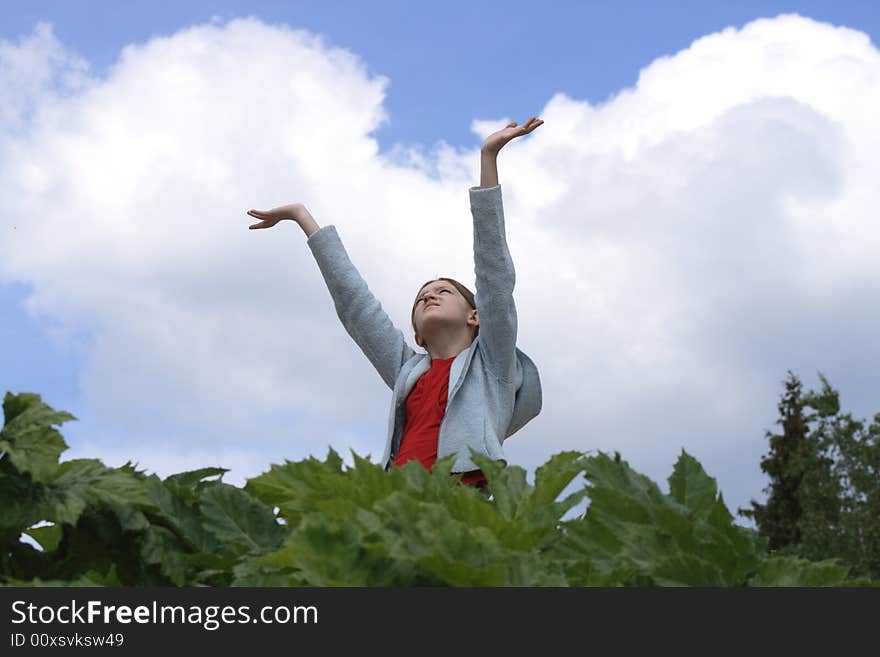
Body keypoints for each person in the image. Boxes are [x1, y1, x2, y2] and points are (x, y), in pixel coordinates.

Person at [246, 115, 544, 498]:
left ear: (476, 317)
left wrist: (489, 157)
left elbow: (494, 275)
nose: (428, 296)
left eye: (443, 292)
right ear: (417, 334)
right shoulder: (407, 371)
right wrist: (304, 218)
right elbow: (356, 306)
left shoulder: (493, 365)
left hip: (461, 497)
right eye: (421, 297)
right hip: (397, 502)